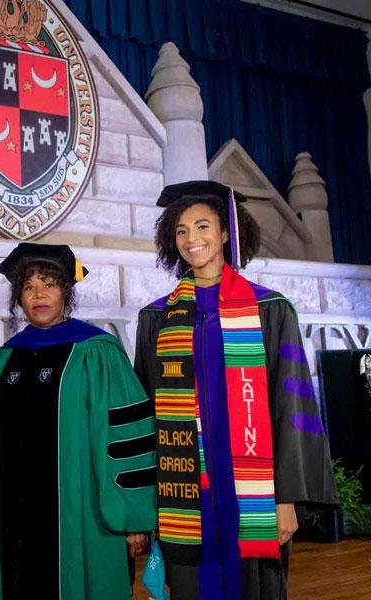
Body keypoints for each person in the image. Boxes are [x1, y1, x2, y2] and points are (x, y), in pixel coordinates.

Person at [133, 180, 338, 600]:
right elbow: (146, 416)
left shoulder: (270, 310)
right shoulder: (156, 319)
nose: (193, 240)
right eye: (182, 231)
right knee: (192, 584)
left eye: (203, 226)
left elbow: (290, 406)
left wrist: (286, 499)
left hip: (253, 490)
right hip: (186, 489)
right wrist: (145, 503)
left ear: (226, 232)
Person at [0, 243, 156, 600]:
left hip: (84, 516)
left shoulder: (97, 352)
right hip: (11, 521)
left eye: (49, 284)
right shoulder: (3, 361)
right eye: (28, 287)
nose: (38, 294)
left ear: (67, 292)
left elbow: (128, 437)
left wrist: (132, 519)